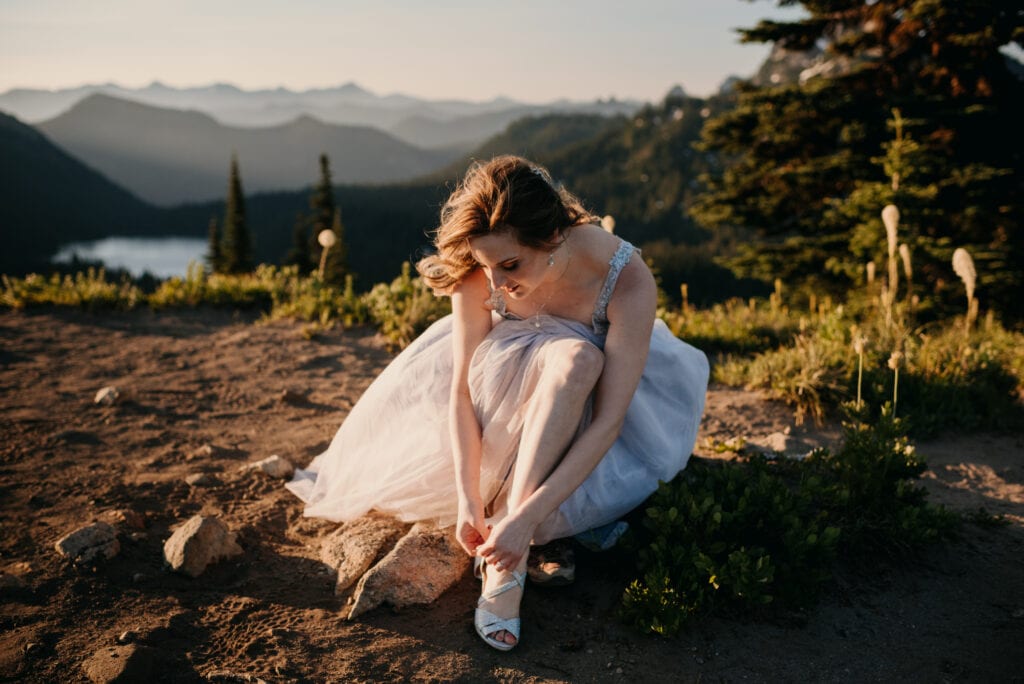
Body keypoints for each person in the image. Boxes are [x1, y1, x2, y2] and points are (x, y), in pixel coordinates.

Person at [287, 155, 709, 651]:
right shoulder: (479, 267)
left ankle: (511, 551)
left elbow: (609, 421)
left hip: (588, 397)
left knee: (579, 360)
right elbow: (462, 390)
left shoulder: (624, 277)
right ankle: (515, 542)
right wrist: (468, 499)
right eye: (487, 267)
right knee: (565, 364)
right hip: (500, 384)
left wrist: (522, 520)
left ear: (554, 237)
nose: (495, 284)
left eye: (510, 265)